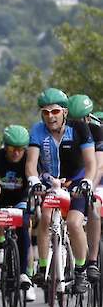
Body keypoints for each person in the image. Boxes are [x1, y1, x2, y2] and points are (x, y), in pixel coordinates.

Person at [26, 88, 96, 294]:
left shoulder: (80, 129)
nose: (50, 116)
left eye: (55, 111)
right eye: (45, 112)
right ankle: (43, 267)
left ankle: (81, 271)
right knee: (45, 218)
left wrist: (88, 182)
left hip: (76, 181)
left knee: (74, 223)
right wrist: (33, 179)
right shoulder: (38, 130)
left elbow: (91, 163)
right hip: (50, 182)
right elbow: (31, 163)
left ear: (65, 112)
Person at [0, 125, 36, 302]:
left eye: (20, 149)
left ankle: (25, 275)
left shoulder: (29, 161)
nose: (16, 153)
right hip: (0, 199)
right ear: (5, 146)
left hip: (20, 199)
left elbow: (34, 181)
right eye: (11, 149)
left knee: (24, 227)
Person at [68, 94, 102, 284]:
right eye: (73, 120)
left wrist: (90, 185)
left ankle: (92, 260)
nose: (77, 124)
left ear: (88, 118)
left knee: (94, 205)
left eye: (80, 120)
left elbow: (99, 165)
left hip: (95, 177)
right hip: (74, 178)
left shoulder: (96, 131)